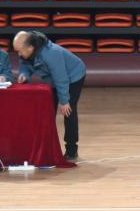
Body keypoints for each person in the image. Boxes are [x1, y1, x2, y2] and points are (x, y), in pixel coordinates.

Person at [13, 30, 86, 160]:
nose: (19, 54)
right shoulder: (27, 50)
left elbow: (61, 78)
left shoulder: (51, 53)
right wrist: (25, 74)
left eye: (20, 51)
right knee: (47, 111)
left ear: (30, 48)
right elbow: (25, 64)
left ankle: (71, 149)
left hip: (73, 76)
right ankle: (46, 147)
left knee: (68, 111)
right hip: (53, 79)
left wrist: (64, 101)